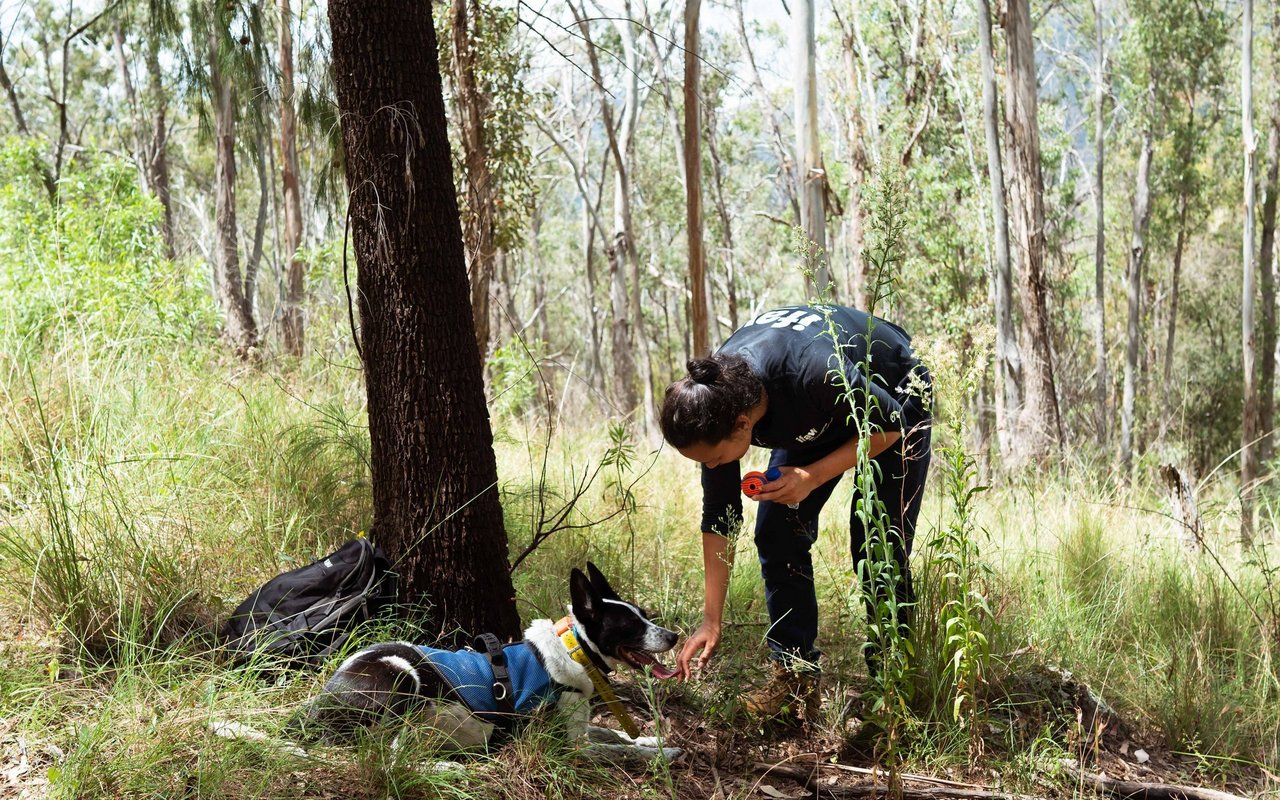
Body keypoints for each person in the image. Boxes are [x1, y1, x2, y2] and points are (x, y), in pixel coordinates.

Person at [660, 304, 932, 722]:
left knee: (878, 541)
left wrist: (811, 474)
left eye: (713, 459)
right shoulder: (715, 397)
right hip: (814, 410)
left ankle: (891, 687)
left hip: (890, 392)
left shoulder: (809, 372)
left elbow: (888, 426)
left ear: (741, 425)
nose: (712, 468)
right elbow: (720, 515)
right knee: (777, 530)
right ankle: (794, 678)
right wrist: (711, 621)